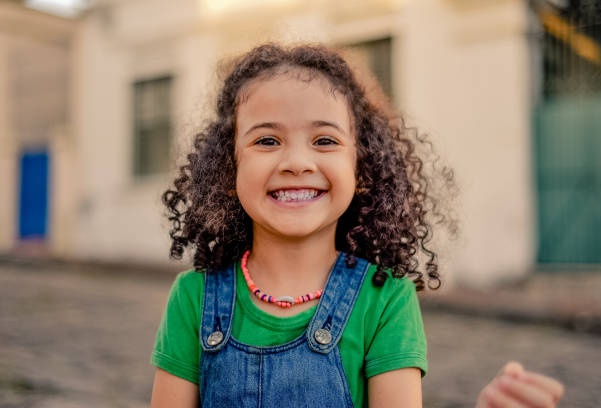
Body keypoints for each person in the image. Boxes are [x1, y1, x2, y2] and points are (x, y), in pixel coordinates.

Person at [150, 43, 563, 407]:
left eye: (325, 140)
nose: (297, 162)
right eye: (267, 140)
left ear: (361, 168)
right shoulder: (193, 297)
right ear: (228, 168)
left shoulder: (386, 299)